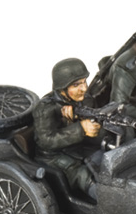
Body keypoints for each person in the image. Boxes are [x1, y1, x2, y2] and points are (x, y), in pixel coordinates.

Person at [32, 58, 100, 198]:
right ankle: (105, 202)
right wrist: (81, 129)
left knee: (105, 159)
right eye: (76, 85)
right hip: (53, 156)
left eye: (84, 82)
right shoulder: (45, 108)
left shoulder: (84, 99)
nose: (84, 88)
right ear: (62, 89)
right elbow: (46, 141)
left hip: (77, 147)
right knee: (84, 176)